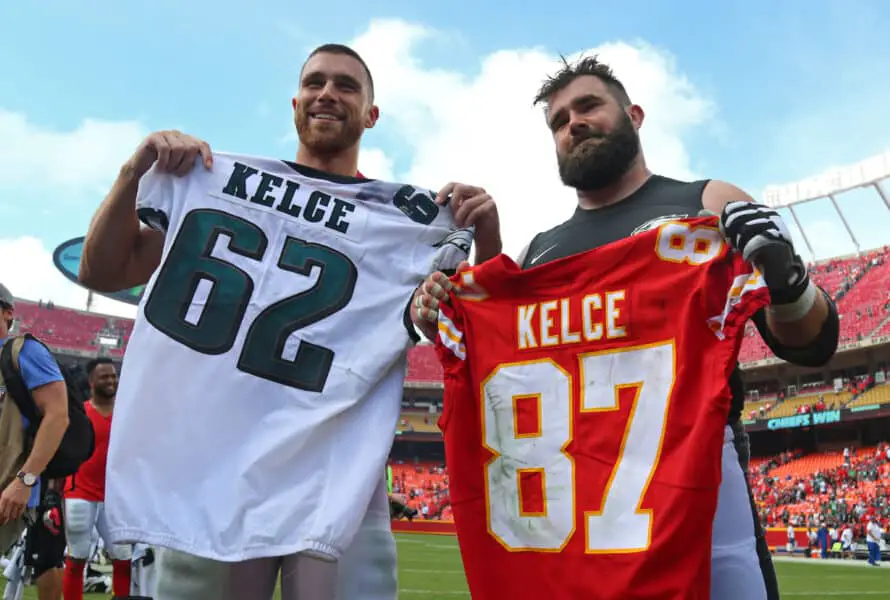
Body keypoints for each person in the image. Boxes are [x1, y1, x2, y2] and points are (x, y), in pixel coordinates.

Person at [78, 44, 499, 600]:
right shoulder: (211, 179)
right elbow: (100, 271)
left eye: (347, 85)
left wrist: (485, 232)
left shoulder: (404, 224)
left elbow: (482, 328)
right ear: (295, 103)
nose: (328, 93)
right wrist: (133, 173)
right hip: (215, 465)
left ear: (372, 115)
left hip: (336, 473)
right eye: (316, 82)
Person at [412, 55, 840, 600]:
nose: (574, 124)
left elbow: (811, 344)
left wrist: (788, 280)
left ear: (635, 115)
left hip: (700, 495)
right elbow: (497, 376)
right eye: (559, 120)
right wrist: (452, 299)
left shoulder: (704, 203)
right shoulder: (539, 253)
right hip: (576, 521)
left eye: (588, 106)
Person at [0, 284, 70, 600]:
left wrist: (25, 480)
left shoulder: (24, 352)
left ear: (8, 313)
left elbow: (58, 416)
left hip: (8, 486)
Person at [62, 357, 132, 600]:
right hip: (80, 493)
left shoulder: (126, 415)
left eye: (113, 375)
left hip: (115, 497)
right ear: (92, 382)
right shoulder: (80, 413)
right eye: (105, 376)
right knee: (76, 558)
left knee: (123, 558)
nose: (111, 380)